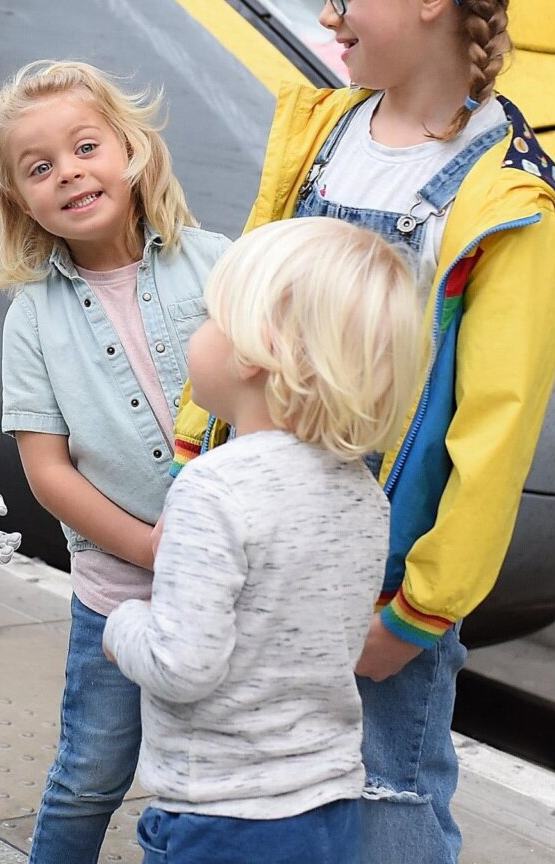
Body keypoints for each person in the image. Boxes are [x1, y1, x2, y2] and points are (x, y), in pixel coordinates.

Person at [169, 0, 555, 864]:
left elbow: (497, 428)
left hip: (379, 576)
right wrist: (194, 444)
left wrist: (420, 609)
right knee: (258, 795)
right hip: (262, 538)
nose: (329, 16)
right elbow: (249, 298)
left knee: (386, 805)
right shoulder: (322, 134)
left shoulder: (507, 201)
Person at [0, 59, 231, 864]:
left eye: (85, 148)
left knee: (208, 778)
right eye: (40, 168)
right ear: (18, 197)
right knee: (89, 774)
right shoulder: (30, 319)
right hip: (116, 596)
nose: (70, 174)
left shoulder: (220, 264)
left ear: (131, 148)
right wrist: (153, 549)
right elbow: (48, 472)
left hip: (228, 584)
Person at [104, 217, 420, 864]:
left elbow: (182, 665)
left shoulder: (213, 489)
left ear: (256, 349)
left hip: (221, 816)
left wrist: (123, 626)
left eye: (209, 319)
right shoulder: (362, 493)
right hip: (326, 807)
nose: (197, 336)